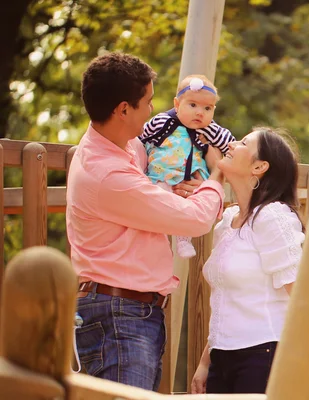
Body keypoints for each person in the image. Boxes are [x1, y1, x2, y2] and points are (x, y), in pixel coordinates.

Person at [66, 52, 225, 391]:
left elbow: (163, 183)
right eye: (148, 102)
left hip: (126, 311)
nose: (154, 110)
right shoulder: (109, 174)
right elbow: (195, 220)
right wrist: (217, 176)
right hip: (118, 316)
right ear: (124, 109)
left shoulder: (122, 148)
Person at [191, 127, 305, 394]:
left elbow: (300, 295)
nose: (230, 144)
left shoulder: (272, 217)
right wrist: (205, 362)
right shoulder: (228, 223)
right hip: (222, 356)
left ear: (259, 166)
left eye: (243, 142)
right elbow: (224, 301)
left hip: (263, 354)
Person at [139, 74, 235, 258]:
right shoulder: (161, 121)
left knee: (185, 209)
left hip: (189, 178)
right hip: (162, 174)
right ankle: (155, 241)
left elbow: (229, 144)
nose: (200, 112)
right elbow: (140, 137)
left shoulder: (210, 129)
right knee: (159, 199)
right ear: (177, 105)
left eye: (207, 108)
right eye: (193, 105)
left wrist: (220, 148)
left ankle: (183, 241)